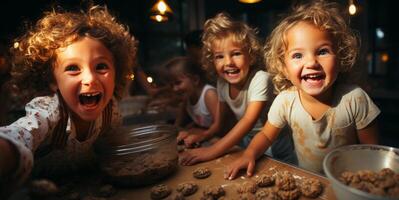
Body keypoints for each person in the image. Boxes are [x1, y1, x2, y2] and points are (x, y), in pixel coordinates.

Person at [226, 0, 380, 179]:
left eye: (322, 51)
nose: (312, 63)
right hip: (307, 183)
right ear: (283, 66)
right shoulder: (285, 101)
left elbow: (372, 151)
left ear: (341, 57)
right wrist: (249, 153)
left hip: (348, 185)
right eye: (298, 55)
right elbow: (267, 135)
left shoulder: (356, 99)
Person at [0, 5, 137, 196]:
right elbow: (19, 134)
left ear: (116, 73)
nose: (90, 79)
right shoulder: (50, 111)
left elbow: (114, 148)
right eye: (73, 68)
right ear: (53, 82)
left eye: (101, 66)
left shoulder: (110, 110)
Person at [179, 12, 296, 166]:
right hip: (247, 139)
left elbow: (248, 120)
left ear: (251, 56)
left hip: (275, 143)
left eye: (236, 54)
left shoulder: (260, 78)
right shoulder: (222, 83)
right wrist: (203, 136)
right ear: (211, 60)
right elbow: (218, 124)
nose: (228, 62)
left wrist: (211, 150)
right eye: (219, 56)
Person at [164, 56, 218, 147]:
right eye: (171, 85)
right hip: (207, 138)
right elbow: (177, 125)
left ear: (195, 80)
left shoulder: (209, 95)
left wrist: (198, 134)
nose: (174, 89)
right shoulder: (187, 98)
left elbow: (220, 127)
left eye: (178, 83)